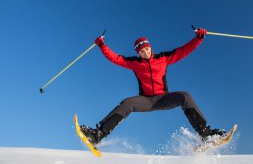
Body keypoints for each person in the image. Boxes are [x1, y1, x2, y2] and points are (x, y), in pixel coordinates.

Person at [80, 28, 226, 145]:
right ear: (138, 53)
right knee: (127, 103)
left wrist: (199, 38)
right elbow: (115, 58)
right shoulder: (134, 63)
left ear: (150, 47)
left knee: (185, 96)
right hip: (146, 100)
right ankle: (98, 134)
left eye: (147, 49)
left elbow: (184, 50)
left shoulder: (163, 58)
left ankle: (205, 134)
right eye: (142, 51)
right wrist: (102, 45)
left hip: (163, 98)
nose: (145, 52)